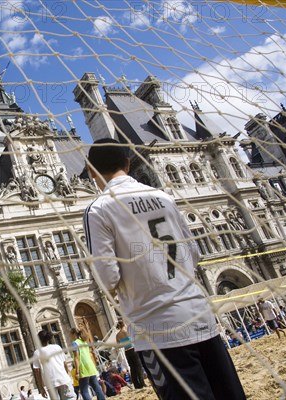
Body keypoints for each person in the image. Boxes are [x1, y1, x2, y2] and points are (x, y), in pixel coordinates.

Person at [82, 138, 246, 400]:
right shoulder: (163, 196)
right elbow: (194, 253)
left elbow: (107, 276)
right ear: (127, 162)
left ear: (91, 171)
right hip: (200, 317)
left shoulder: (98, 208)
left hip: (158, 331)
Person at [33, 329, 76, 400]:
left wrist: (41, 387)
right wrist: (67, 375)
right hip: (63, 379)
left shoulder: (37, 353)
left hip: (50, 383)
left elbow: (37, 371)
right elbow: (65, 363)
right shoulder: (57, 347)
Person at [69, 328, 106, 400]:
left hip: (83, 367)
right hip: (90, 366)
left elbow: (77, 358)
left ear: (73, 334)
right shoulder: (84, 342)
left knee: (84, 391)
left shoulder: (75, 343)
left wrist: (77, 372)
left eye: (70, 334)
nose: (69, 336)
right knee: (96, 387)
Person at [115, 320, 145, 389]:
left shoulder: (117, 335)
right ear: (123, 325)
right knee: (138, 367)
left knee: (132, 368)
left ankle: (136, 385)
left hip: (127, 352)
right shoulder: (127, 331)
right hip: (133, 349)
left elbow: (118, 346)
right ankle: (142, 383)